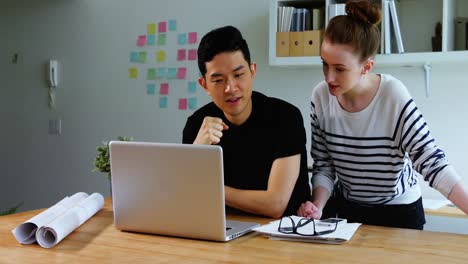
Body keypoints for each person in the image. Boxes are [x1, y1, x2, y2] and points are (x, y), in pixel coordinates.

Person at [298, 0, 468, 229]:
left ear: (366, 67)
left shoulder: (392, 95)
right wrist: (317, 205)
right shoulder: (320, 97)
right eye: (324, 64)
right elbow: (324, 164)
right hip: (348, 209)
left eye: (339, 69)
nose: (329, 77)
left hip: (399, 211)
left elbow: (430, 159)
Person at [182, 25, 310, 218]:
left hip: (286, 236)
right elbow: (187, 198)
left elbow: (275, 205)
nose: (230, 88)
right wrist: (197, 152)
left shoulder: (285, 117)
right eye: (218, 80)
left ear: (253, 72)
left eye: (238, 75)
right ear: (204, 85)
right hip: (222, 231)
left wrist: (211, 188)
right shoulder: (197, 125)